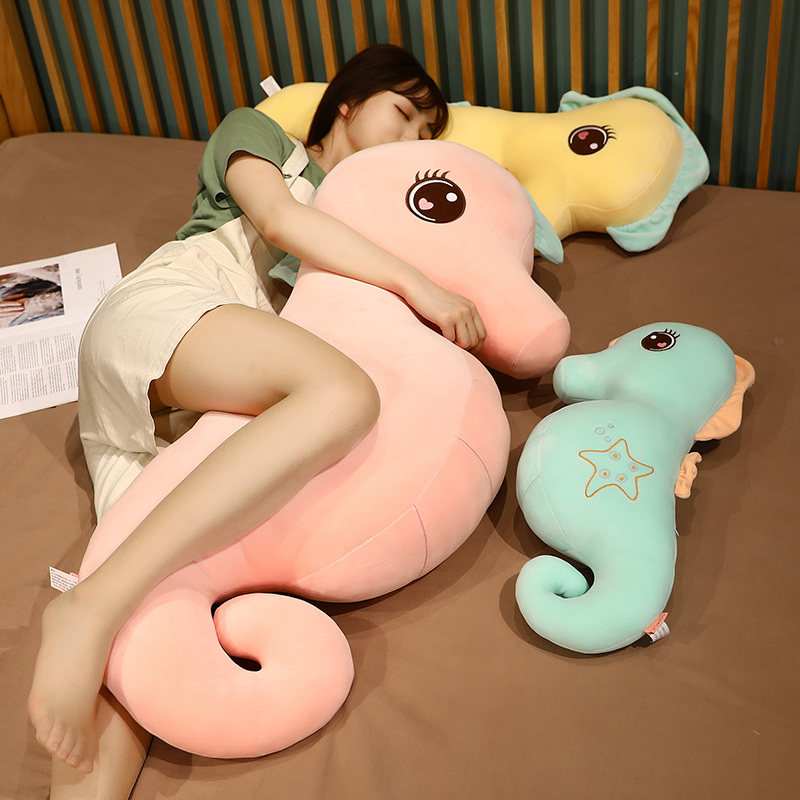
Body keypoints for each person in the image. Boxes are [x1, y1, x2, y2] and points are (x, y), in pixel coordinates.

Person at [27, 44, 486, 799]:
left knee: (150, 629)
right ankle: (85, 608)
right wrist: (419, 284)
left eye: (429, 135)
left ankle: (90, 634)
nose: (413, 139)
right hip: (169, 320)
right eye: (404, 114)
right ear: (347, 102)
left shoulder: (384, 217)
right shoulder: (264, 138)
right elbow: (276, 217)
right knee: (344, 394)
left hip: (198, 422)